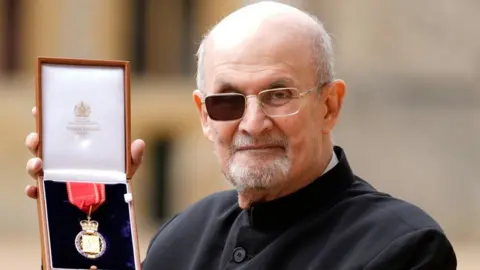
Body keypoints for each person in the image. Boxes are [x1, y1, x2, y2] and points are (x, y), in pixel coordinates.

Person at [26, 1, 457, 269]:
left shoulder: (404, 248)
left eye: (278, 94)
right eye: (228, 100)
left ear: (329, 105)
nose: (252, 123)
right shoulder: (182, 236)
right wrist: (90, 221)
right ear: (204, 115)